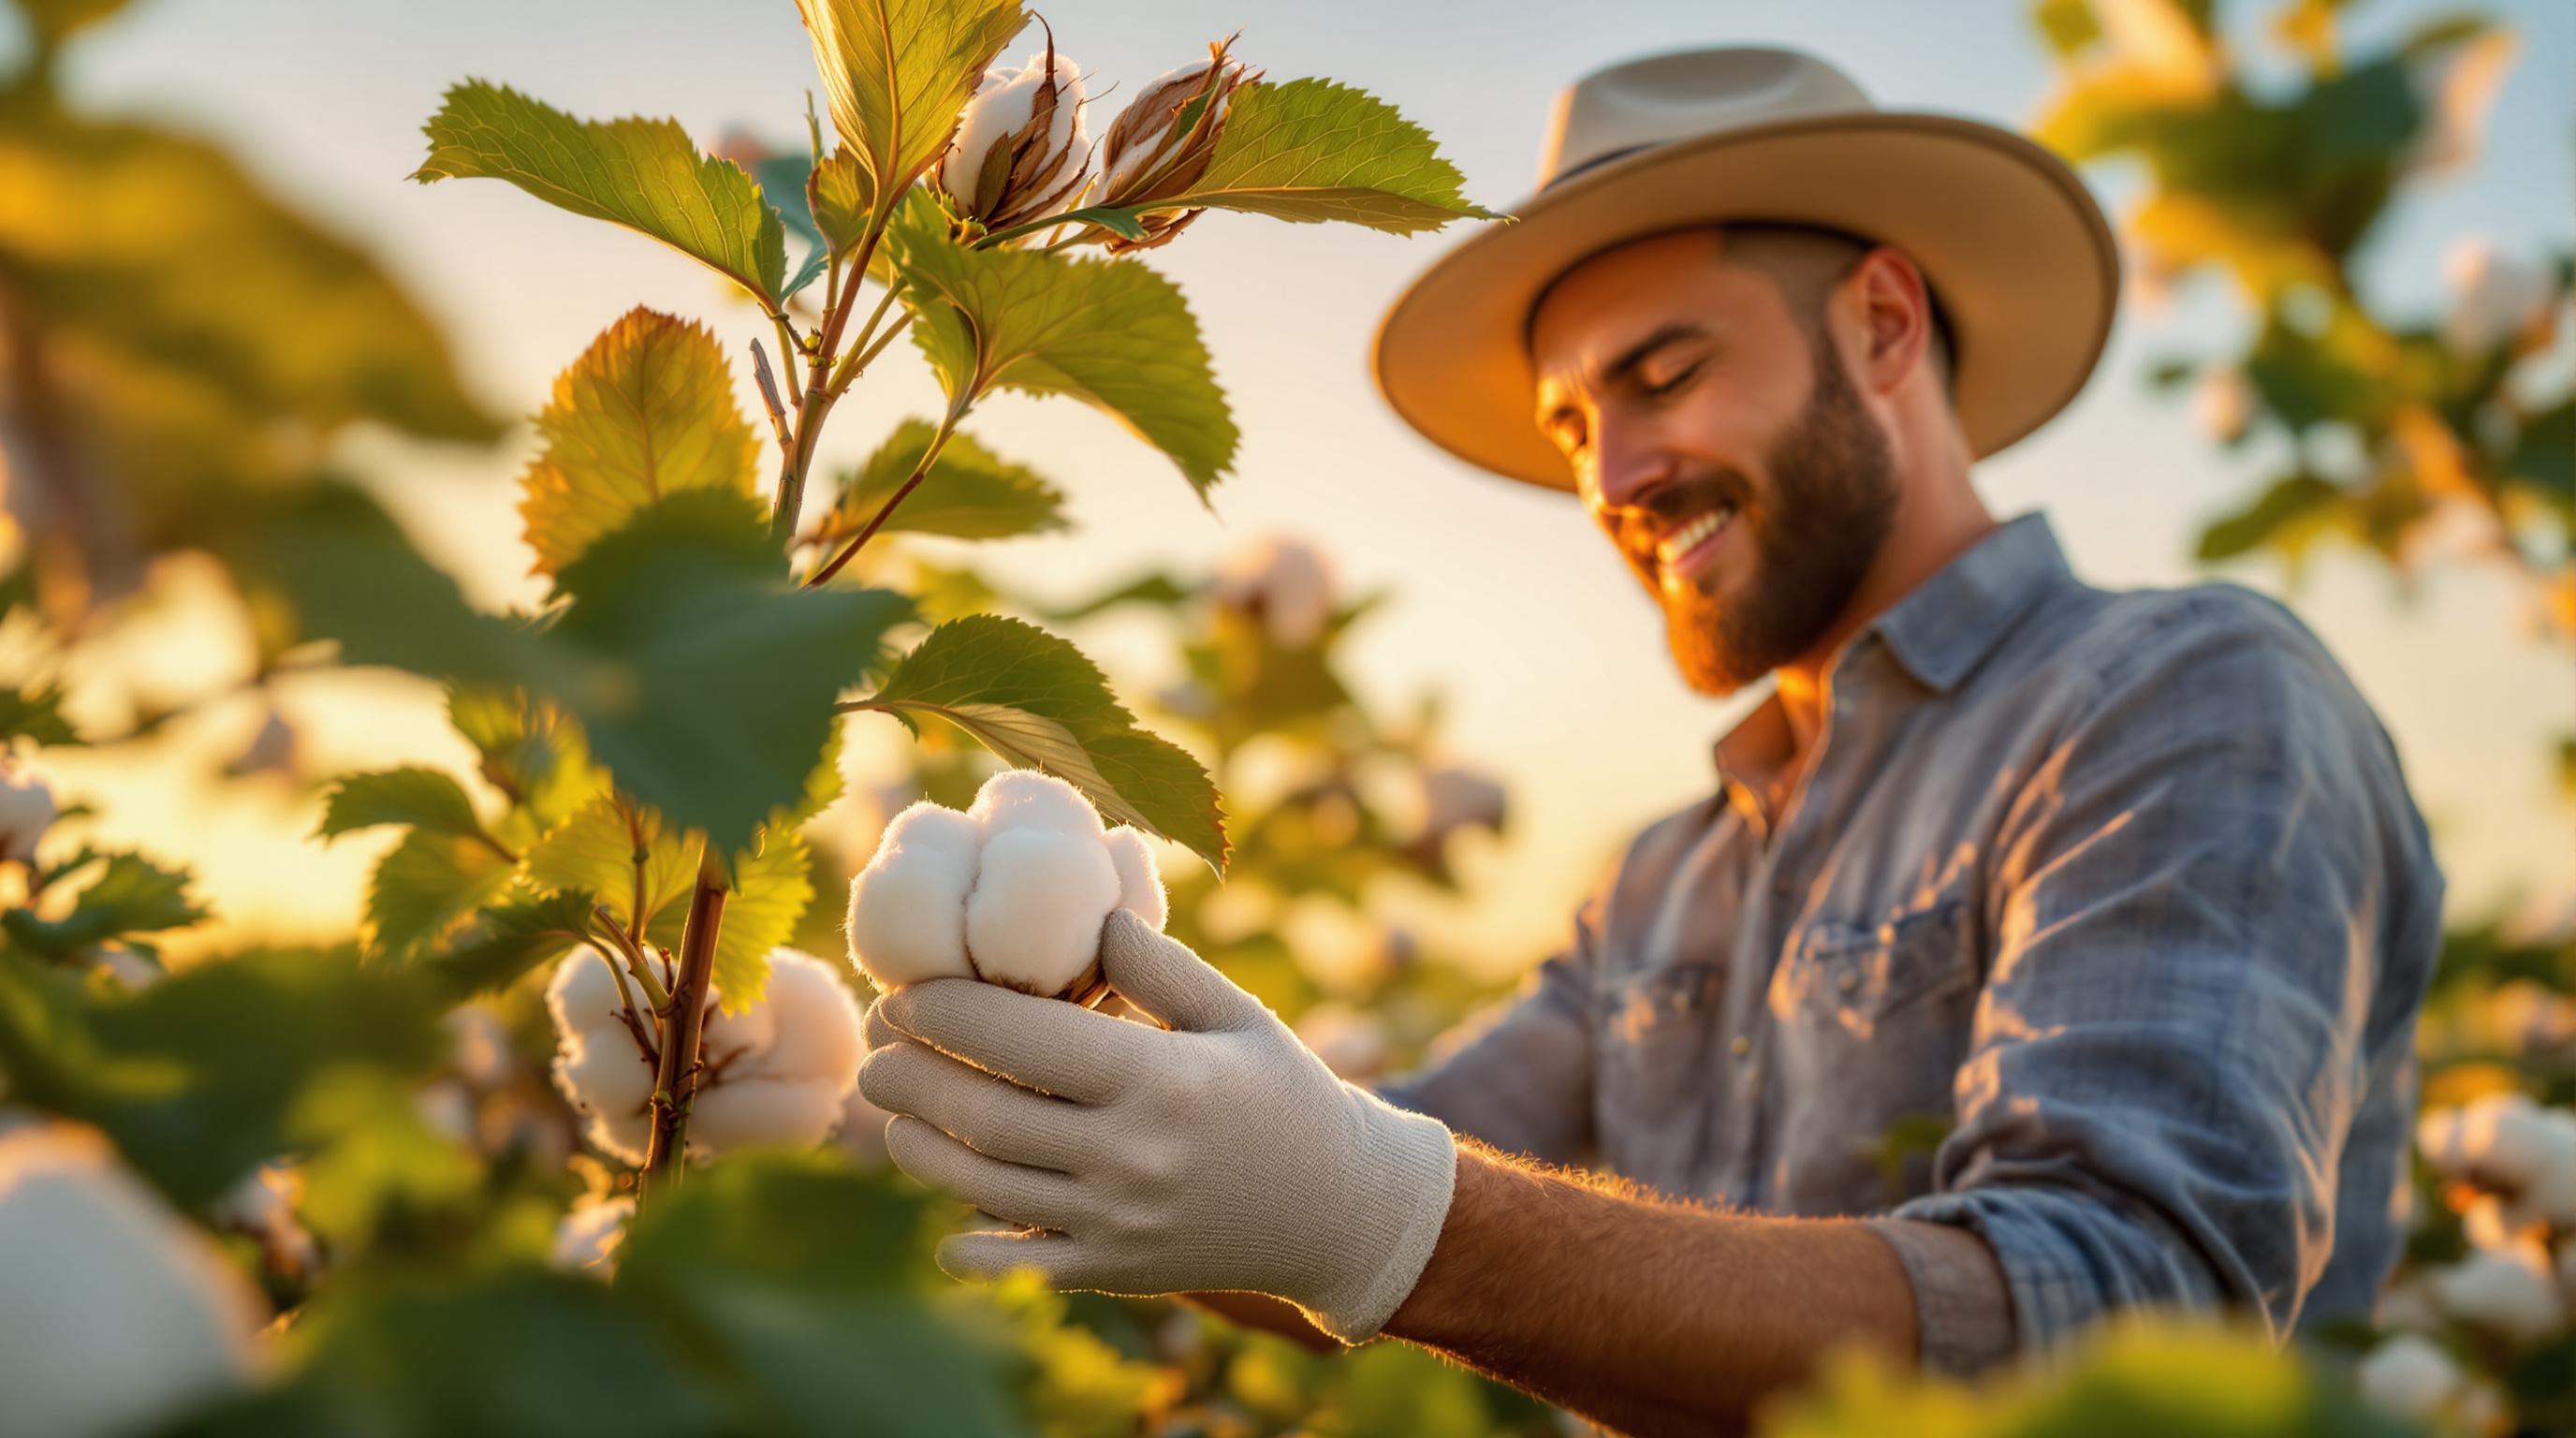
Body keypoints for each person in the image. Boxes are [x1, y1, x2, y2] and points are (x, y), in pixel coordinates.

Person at [854, 46, 2445, 1434]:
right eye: (1568, 426)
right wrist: (1088, 1093)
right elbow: (1336, 1179)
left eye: (1665, 372)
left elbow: (2124, 1331)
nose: (1608, 476)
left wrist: (1380, 1211)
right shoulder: (1665, 886)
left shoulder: (2181, 703)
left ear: (1885, 326)